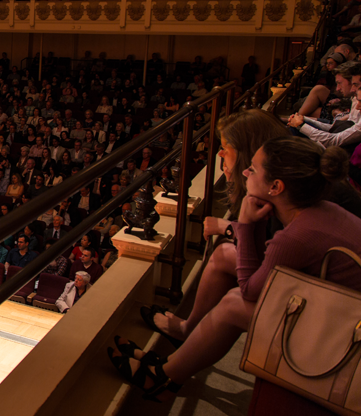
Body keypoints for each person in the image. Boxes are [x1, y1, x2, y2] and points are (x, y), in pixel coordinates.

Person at [110, 137, 361, 401]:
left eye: (253, 169)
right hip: (340, 308)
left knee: (234, 303)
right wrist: (250, 225)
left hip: (345, 337)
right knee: (225, 254)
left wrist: (246, 222)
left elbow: (250, 290)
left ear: (275, 186)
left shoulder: (297, 236)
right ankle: (189, 334)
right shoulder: (316, 208)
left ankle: (162, 378)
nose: (244, 172)